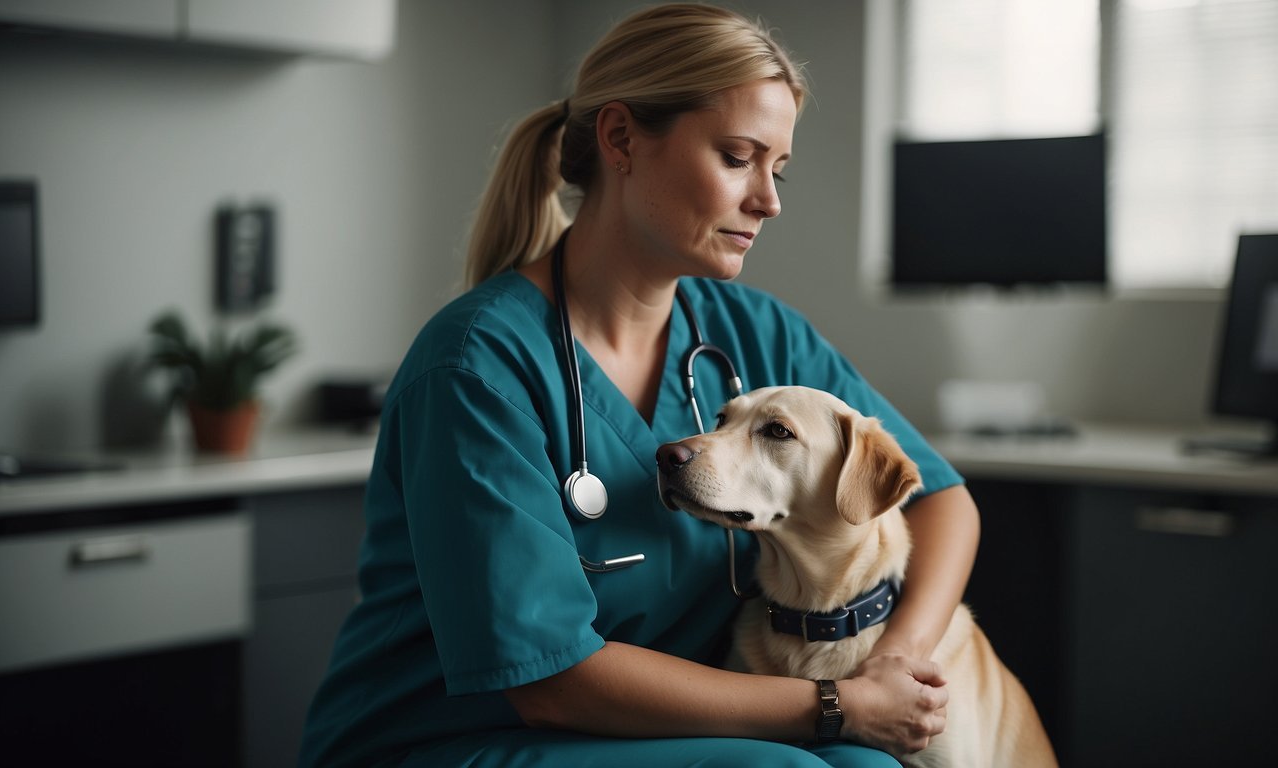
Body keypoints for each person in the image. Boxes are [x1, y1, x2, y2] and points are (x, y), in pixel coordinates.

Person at [298, 4, 980, 767]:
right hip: (459, 740)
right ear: (621, 139)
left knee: (866, 763)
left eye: (776, 168)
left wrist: (896, 664)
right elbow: (554, 683)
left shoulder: (754, 332)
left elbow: (942, 500)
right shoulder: (477, 367)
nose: (769, 199)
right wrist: (834, 705)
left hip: (660, 733)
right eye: (736, 157)